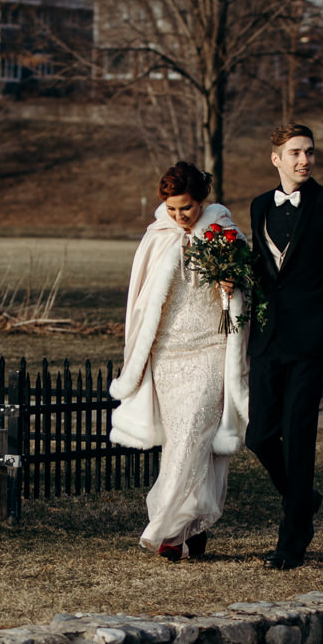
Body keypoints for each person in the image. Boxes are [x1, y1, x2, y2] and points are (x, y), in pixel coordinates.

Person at [109, 161, 250, 562]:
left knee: (193, 435)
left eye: (185, 208)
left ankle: (168, 526)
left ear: (201, 200)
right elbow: (142, 300)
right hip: (169, 353)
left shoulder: (226, 233)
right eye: (171, 209)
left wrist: (231, 286)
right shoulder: (158, 236)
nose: (178, 216)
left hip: (209, 349)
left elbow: (248, 295)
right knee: (181, 443)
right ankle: (193, 526)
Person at [245, 124, 323, 569]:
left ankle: (291, 542)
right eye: (294, 153)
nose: (304, 160)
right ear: (275, 158)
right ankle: (304, 498)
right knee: (258, 436)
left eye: (309, 152)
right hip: (267, 340)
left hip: (313, 344)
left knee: (297, 440)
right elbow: (261, 272)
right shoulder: (259, 206)